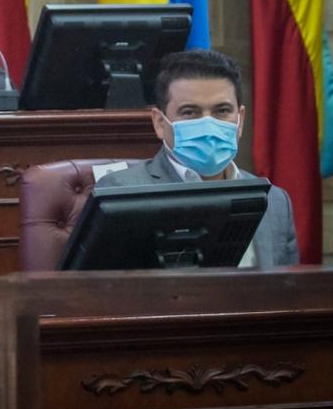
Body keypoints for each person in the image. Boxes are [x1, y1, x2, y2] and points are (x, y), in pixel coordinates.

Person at [99, 49, 299, 267]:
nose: (208, 125)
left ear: (240, 120)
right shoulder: (121, 194)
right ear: (159, 122)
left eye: (222, 111)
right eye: (190, 112)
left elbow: (288, 296)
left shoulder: (275, 202)